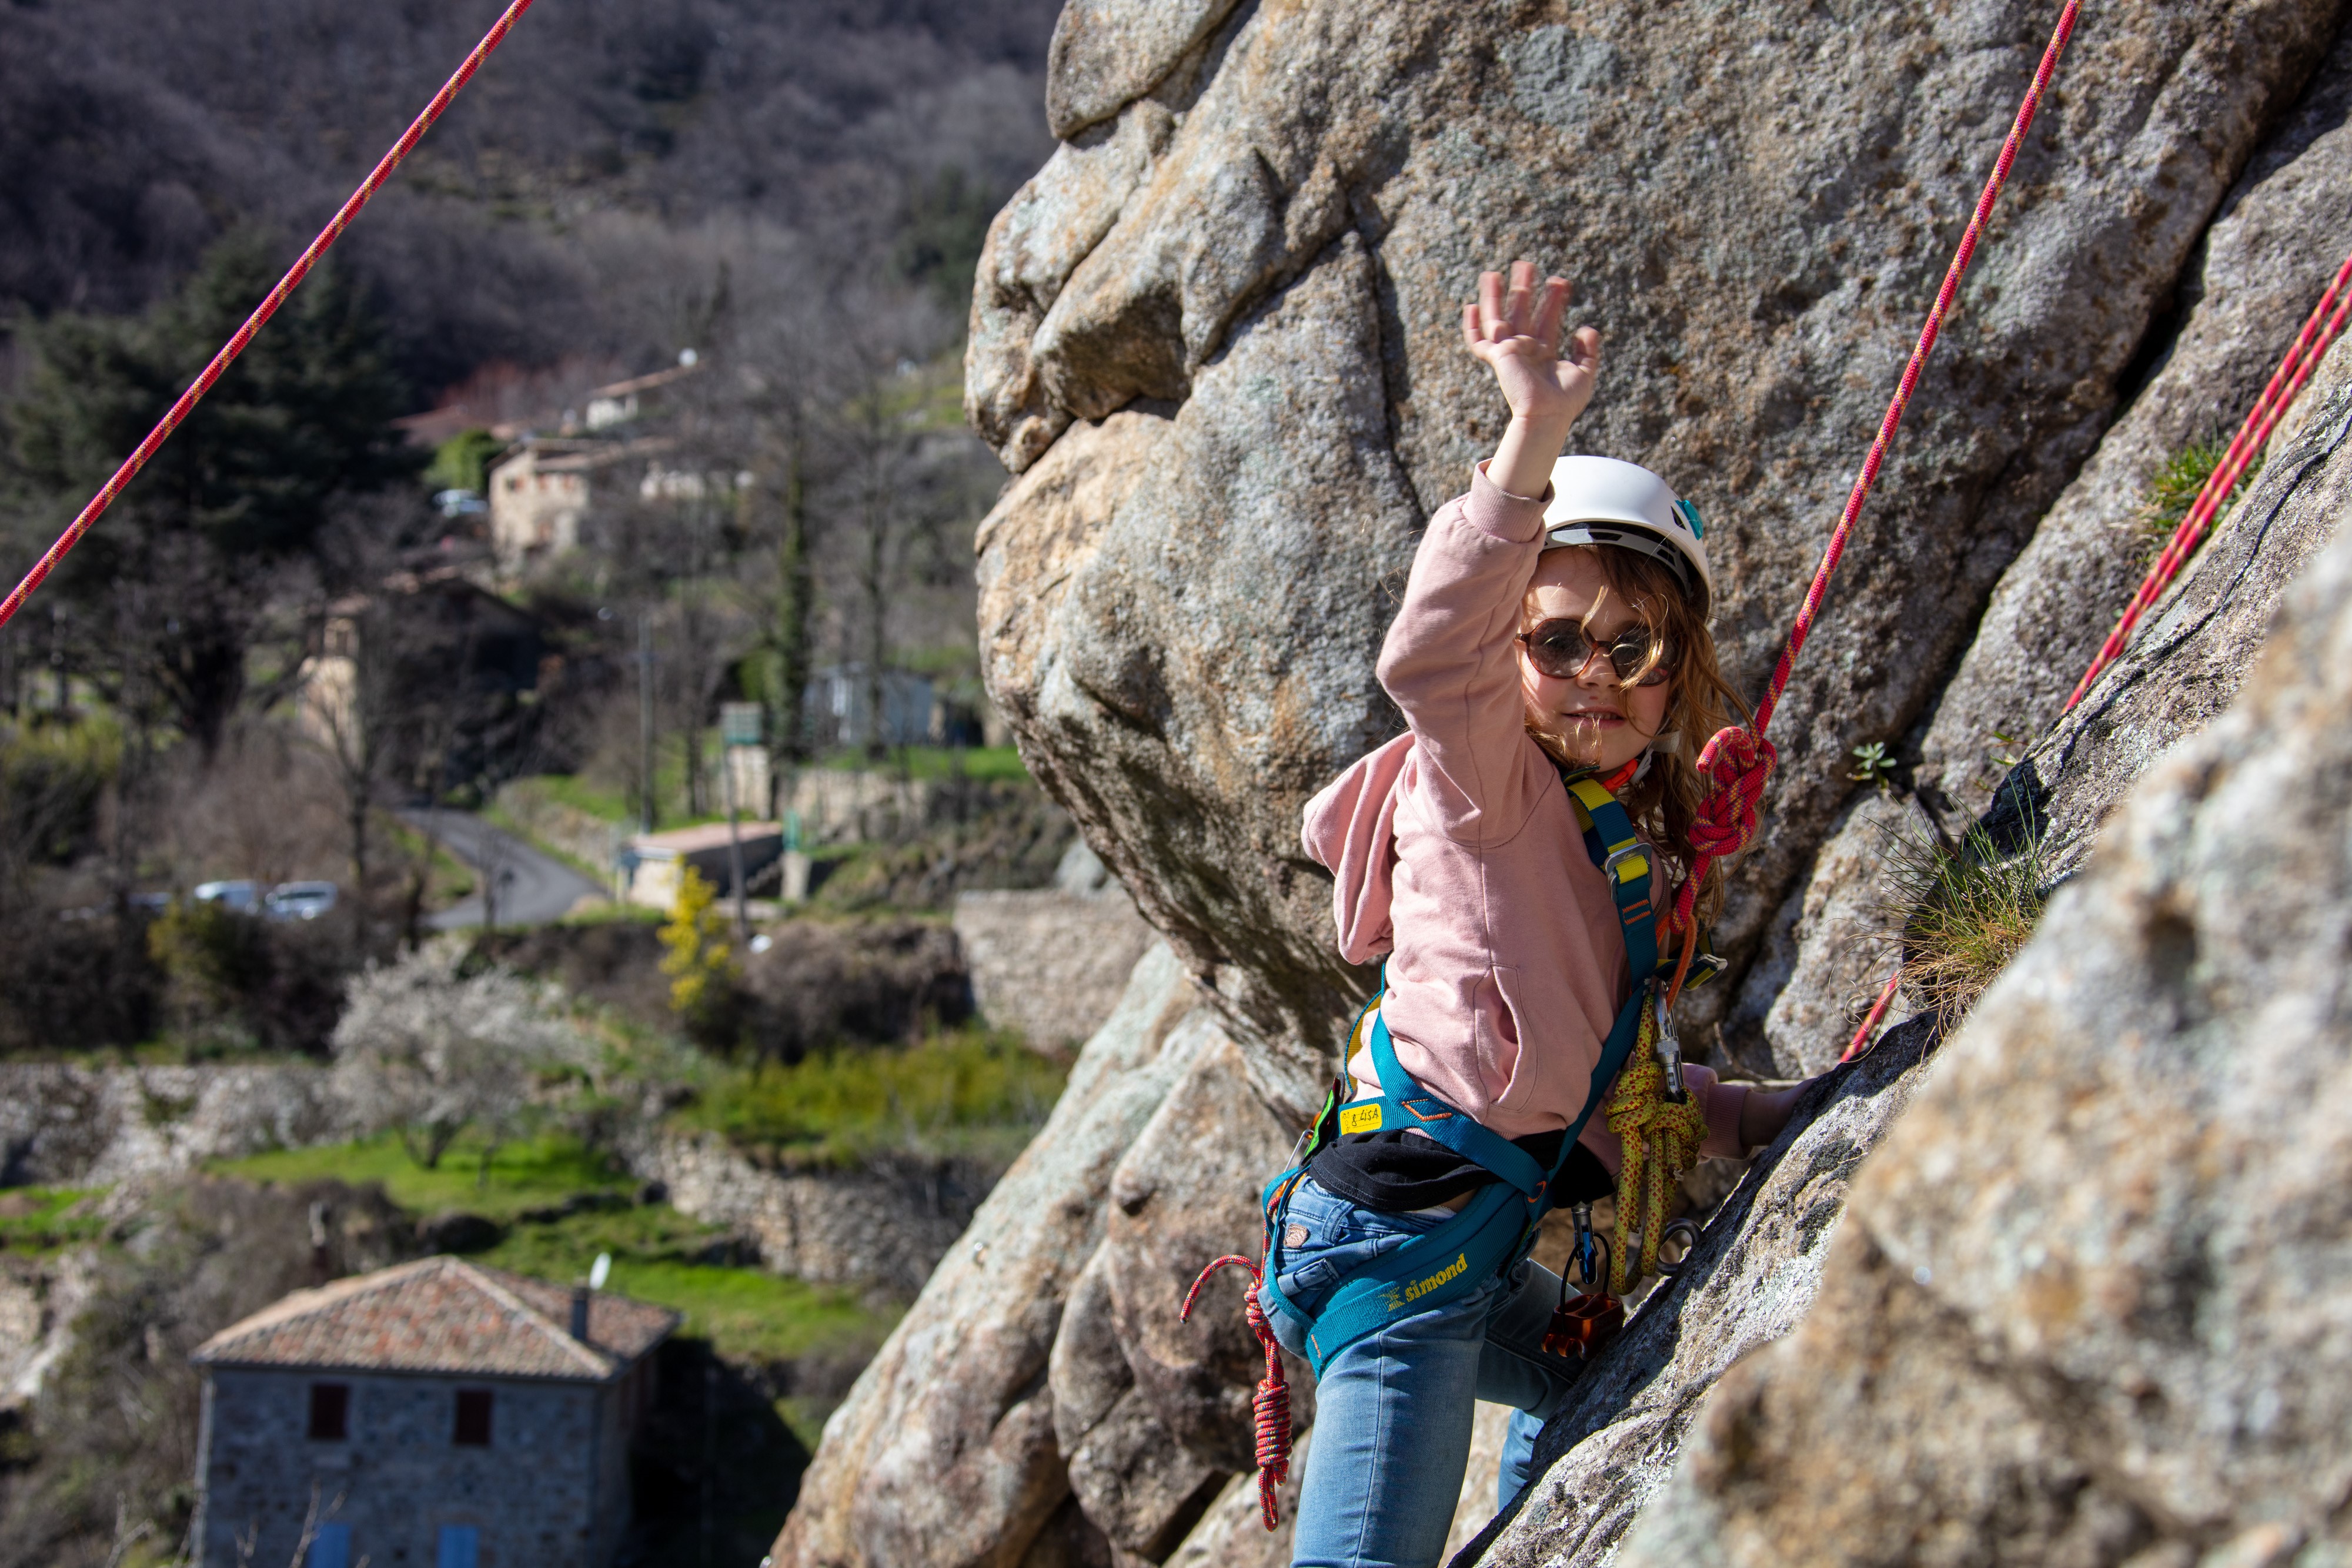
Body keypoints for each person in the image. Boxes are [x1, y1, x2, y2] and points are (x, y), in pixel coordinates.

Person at [1255, 260, 1810, 1568]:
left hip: (1462, 1240)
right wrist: (1530, 438)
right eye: (1555, 642)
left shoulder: (1608, 837)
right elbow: (1430, 654)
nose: (1592, 675)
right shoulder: (1482, 787)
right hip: (1403, 1250)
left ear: (1674, 674)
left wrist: (1745, 1115)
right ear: (1509, 661)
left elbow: (1589, 1067)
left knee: (1592, 1386)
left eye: (1633, 649)